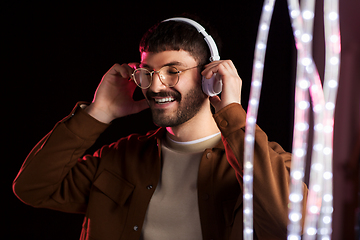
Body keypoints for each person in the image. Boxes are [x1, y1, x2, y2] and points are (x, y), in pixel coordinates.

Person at [13, 16, 307, 240]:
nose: (154, 86)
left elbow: (289, 222)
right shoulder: (119, 157)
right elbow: (32, 188)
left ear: (211, 78)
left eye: (172, 71)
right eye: (147, 73)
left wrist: (234, 114)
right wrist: (97, 113)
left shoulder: (265, 163)